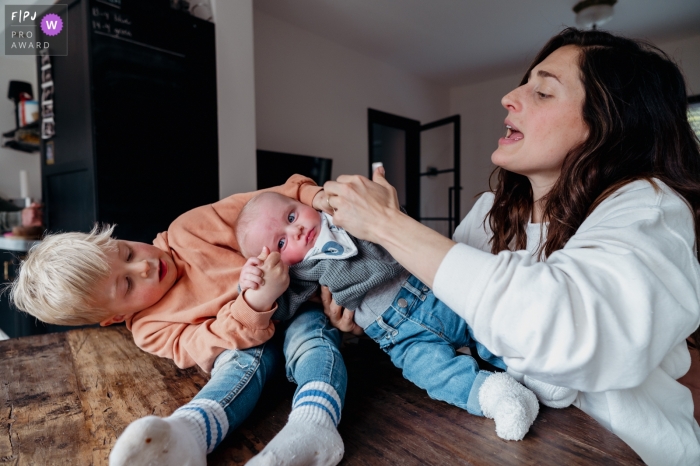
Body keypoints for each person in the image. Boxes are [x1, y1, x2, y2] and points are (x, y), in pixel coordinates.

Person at [322, 28, 700, 466]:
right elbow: (451, 320)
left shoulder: (649, 207)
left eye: (542, 91)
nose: (510, 97)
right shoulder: (490, 211)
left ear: (609, 124)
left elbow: (569, 332)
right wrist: (381, 316)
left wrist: (390, 225)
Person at [10, 175, 346, 466]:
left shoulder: (188, 229)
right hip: (248, 349)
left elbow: (267, 204)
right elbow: (210, 343)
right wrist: (256, 301)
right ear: (114, 317)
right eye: (127, 284)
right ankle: (190, 432)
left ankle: (313, 423)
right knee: (236, 362)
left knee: (311, 339)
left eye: (127, 253)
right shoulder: (149, 330)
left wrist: (315, 196)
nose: (143, 267)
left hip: (301, 309)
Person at [235, 191, 578, 441]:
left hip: (435, 292)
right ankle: (497, 396)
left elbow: (395, 223)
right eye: (280, 243)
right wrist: (253, 287)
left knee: (485, 327)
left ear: (305, 202)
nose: (295, 232)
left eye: (292, 216)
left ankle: (531, 371)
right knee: (431, 372)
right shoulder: (303, 271)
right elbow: (281, 308)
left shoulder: (346, 215)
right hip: (399, 336)